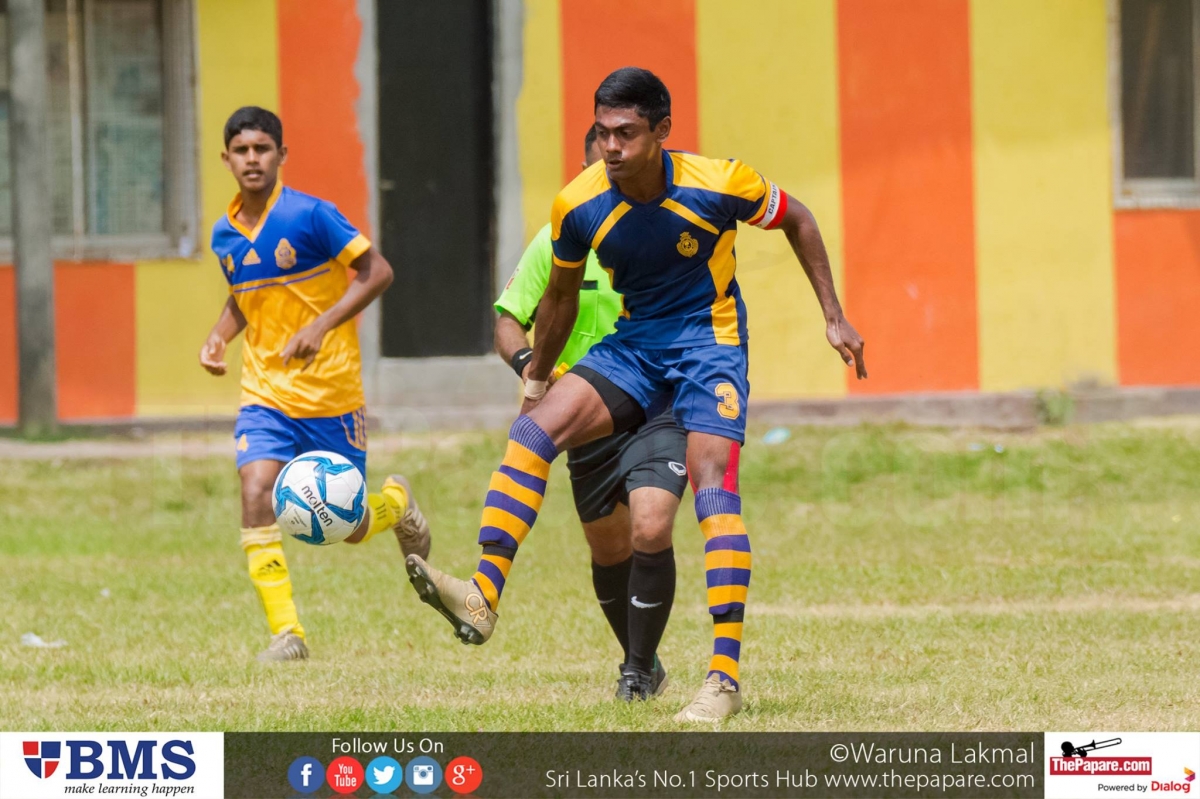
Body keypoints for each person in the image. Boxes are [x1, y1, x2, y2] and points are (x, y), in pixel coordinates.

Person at [406, 67, 866, 721]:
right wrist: (535, 381)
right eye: (602, 133)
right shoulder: (578, 204)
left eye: (625, 133)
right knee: (532, 433)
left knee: (707, 491)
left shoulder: (720, 182)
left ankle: (723, 679)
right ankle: (483, 595)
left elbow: (798, 218)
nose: (611, 147)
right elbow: (559, 298)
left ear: (662, 131)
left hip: (709, 346)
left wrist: (833, 315)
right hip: (635, 346)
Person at [200, 106, 431, 662]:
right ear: (226, 159)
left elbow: (378, 271)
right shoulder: (224, 235)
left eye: (262, 149)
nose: (252, 159)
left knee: (347, 528)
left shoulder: (311, 215)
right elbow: (246, 296)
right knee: (255, 490)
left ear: (281, 155)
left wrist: (321, 325)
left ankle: (397, 504)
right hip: (265, 394)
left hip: (331, 393)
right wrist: (218, 336)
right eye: (241, 150)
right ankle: (287, 634)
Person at [493, 126, 688, 701]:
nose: (609, 175)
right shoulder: (557, 239)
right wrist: (531, 367)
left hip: (657, 405)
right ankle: (643, 662)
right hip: (585, 413)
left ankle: (637, 671)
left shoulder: (668, 233)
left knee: (651, 525)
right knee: (608, 548)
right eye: (598, 168)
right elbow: (508, 318)